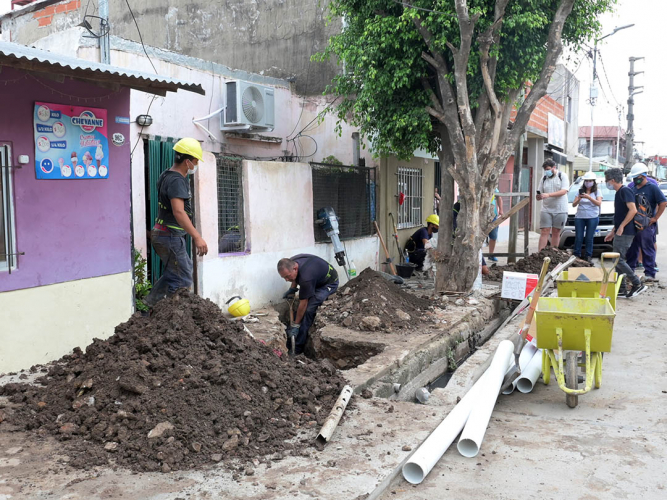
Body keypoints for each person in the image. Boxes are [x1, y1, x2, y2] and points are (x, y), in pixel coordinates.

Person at [144, 138, 208, 306]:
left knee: (174, 273)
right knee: (183, 279)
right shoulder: (177, 180)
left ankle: (148, 307)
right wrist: (197, 237)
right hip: (169, 236)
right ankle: (175, 318)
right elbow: (178, 211)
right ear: (187, 161)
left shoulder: (166, 174)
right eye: (195, 162)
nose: (195, 165)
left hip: (163, 234)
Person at [278, 255, 339, 355]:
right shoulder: (292, 262)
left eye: (287, 276)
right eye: (284, 277)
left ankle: (297, 348)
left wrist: (296, 325)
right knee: (301, 308)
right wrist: (292, 290)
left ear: (295, 268)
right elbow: (295, 277)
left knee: (309, 310)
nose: (286, 279)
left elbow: (303, 303)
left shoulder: (306, 278)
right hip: (315, 278)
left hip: (328, 284)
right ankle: (290, 340)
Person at [603, 168, 646, 298]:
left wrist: (621, 226)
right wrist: (613, 231)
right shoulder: (619, 192)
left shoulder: (625, 190)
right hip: (621, 230)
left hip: (626, 231)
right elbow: (620, 215)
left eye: (607, 181)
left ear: (612, 180)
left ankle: (636, 283)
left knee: (618, 260)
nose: (606, 183)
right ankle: (621, 289)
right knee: (617, 260)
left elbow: (632, 210)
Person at [626, 163, 667, 283]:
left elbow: (663, 203)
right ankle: (630, 271)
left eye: (637, 177)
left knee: (647, 248)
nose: (635, 180)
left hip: (647, 224)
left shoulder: (652, 188)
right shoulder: (632, 188)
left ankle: (650, 273)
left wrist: (655, 218)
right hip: (633, 224)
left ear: (643, 176)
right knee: (632, 249)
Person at [536, 159, 569, 250]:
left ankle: (553, 252)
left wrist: (549, 194)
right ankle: (540, 253)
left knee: (556, 231)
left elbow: (564, 191)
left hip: (560, 209)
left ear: (554, 167)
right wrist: (539, 196)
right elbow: (540, 192)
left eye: (548, 169)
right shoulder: (544, 178)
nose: (547, 171)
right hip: (546, 208)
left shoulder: (562, 176)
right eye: (545, 170)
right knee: (544, 231)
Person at [572, 171, 602, 261]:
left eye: (590, 181)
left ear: (593, 182)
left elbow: (598, 203)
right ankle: (576, 254)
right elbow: (573, 204)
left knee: (589, 237)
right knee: (579, 237)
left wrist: (589, 197)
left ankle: (588, 255)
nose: (588, 183)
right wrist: (580, 198)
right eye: (586, 181)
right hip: (580, 217)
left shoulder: (597, 192)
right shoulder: (579, 192)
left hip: (592, 217)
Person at [487, 188, 504, 261]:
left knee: (493, 236)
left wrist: (501, 210)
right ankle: (479, 256)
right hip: (481, 216)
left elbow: (499, 197)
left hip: (493, 215)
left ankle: (491, 255)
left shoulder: (493, 187)